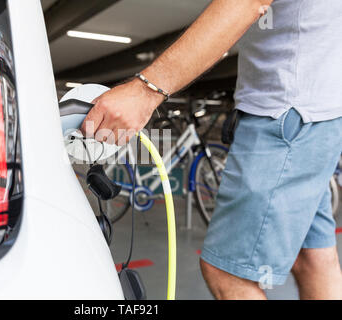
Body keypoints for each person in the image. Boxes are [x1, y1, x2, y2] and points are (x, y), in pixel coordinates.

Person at [81, 0, 342, 300]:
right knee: (311, 255)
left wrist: (146, 90)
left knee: (228, 273)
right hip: (315, 113)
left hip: (284, 113)